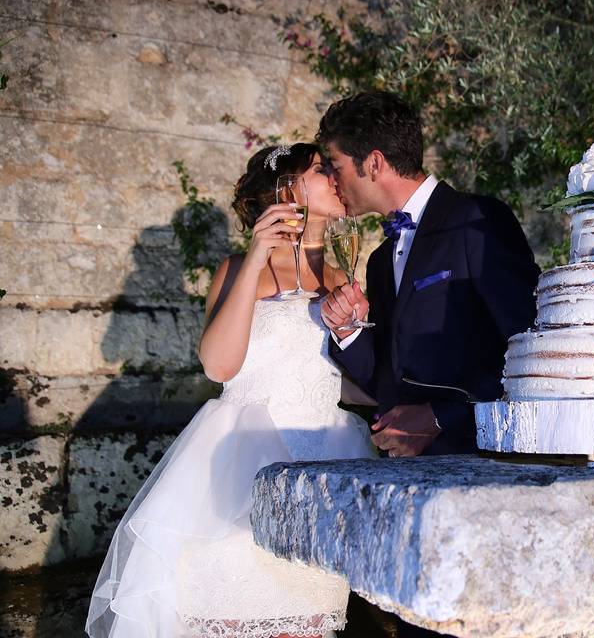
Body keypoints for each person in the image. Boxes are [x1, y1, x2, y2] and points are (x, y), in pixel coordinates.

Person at [86, 143, 376, 638]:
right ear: (286, 190)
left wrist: (357, 336)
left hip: (325, 466)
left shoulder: (342, 277)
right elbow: (220, 365)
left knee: (307, 623)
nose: (334, 176)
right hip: (244, 471)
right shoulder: (240, 269)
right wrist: (258, 255)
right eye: (319, 170)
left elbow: (357, 386)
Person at [320, 91, 540, 459]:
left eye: (335, 165)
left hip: (481, 461)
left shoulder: (476, 221)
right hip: (409, 474)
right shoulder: (379, 261)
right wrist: (347, 332)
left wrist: (441, 417)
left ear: (373, 163)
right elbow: (388, 379)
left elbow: (528, 344)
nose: (332, 179)